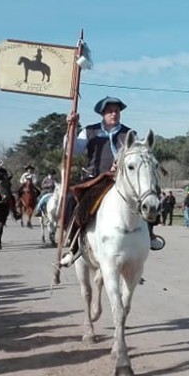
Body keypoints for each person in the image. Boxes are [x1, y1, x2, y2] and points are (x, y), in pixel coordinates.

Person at [59, 96, 164, 267]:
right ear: (102, 113)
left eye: (116, 111)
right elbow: (73, 150)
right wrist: (71, 128)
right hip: (97, 178)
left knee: (149, 194)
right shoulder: (89, 131)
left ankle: (150, 234)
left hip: (122, 179)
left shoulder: (129, 133)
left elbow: (137, 156)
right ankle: (73, 245)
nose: (114, 114)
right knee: (72, 199)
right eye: (109, 111)